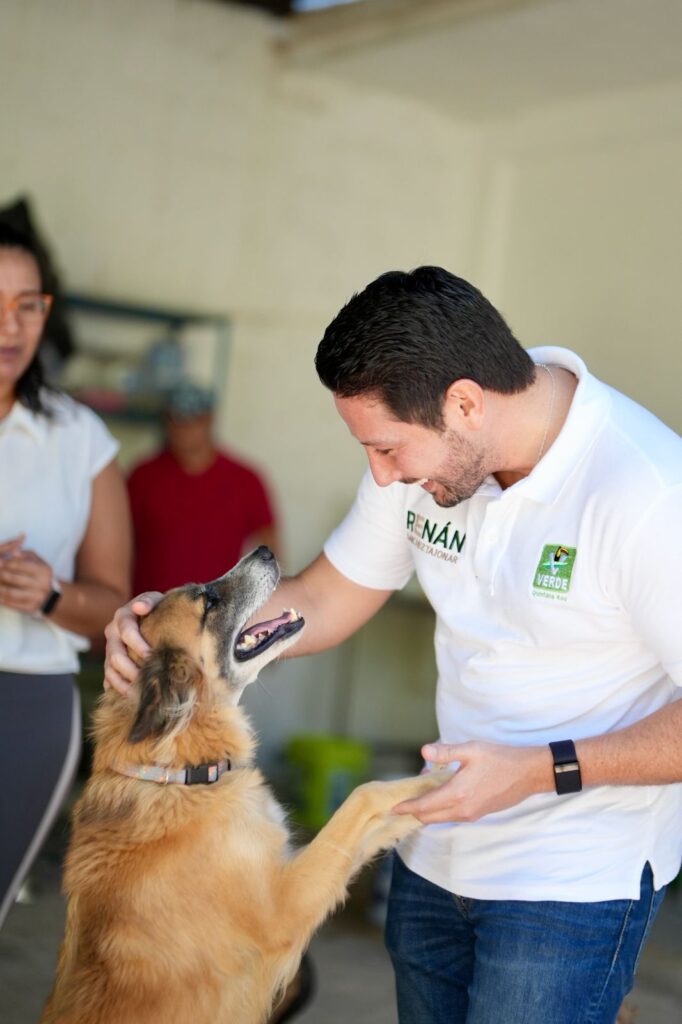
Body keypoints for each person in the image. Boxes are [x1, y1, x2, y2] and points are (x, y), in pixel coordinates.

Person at [103, 266, 682, 1024]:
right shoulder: (427, 456)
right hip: (434, 853)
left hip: (571, 888)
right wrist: (166, 635)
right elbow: (322, 598)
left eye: (387, 449)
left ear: (465, 403)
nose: (380, 474)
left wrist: (543, 770)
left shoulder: (648, 495)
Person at [0, 224, 131, 929]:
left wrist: (47, 594)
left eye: (26, 304)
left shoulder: (79, 438)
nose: (8, 325)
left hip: (25, 705)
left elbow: (113, 601)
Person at [127, 380, 280, 595]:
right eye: (176, 420)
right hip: (150, 608)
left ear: (209, 419)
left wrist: (257, 599)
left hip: (217, 614)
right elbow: (120, 543)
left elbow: (270, 545)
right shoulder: (142, 476)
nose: (185, 429)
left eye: (193, 419)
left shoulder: (245, 479)